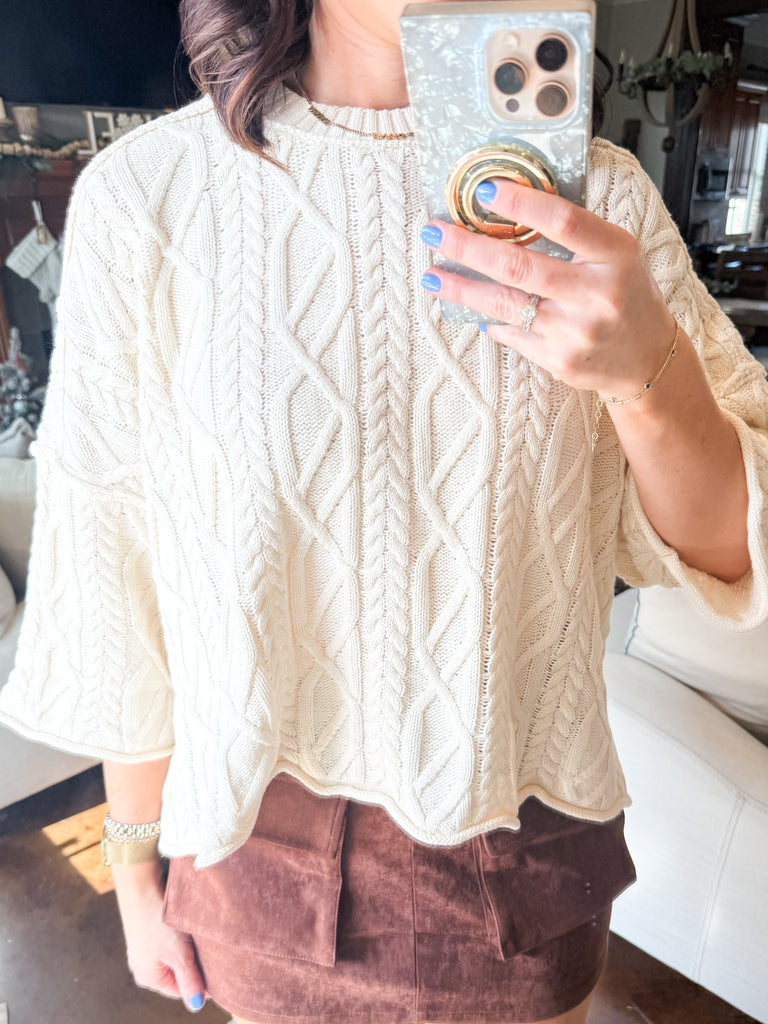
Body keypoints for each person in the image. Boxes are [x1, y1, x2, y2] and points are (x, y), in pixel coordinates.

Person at [1, 1, 767, 1022]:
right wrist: (135, 863)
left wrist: (650, 376)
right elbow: (119, 574)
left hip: (519, 861)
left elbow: (732, 549)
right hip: (253, 860)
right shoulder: (147, 198)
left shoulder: (601, 200)